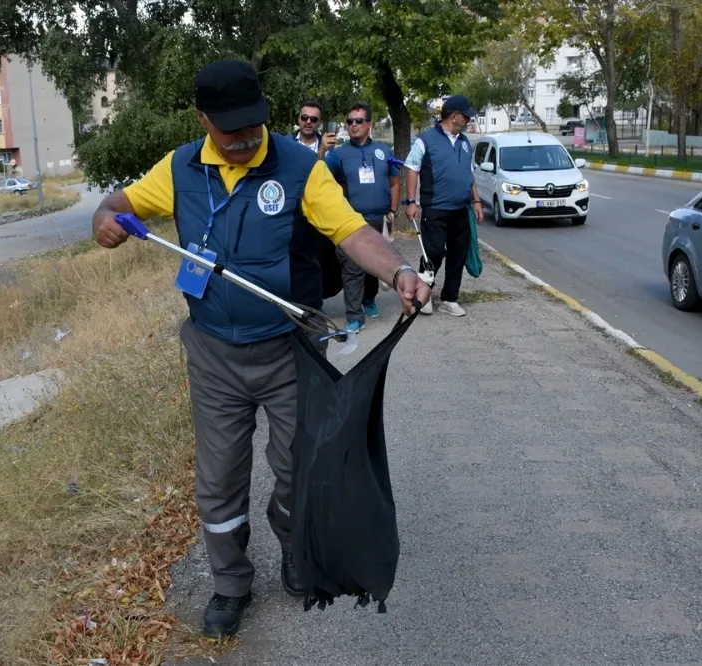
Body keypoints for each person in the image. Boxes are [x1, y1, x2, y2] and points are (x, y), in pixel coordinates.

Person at [92, 59, 430, 639]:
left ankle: (296, 551)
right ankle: (231, 583)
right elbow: (116, 205)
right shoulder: (178, 169)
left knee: (298, 469)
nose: (248, 139)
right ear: (203, 120)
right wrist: (105, 220)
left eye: (256, 125)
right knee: (220, 480)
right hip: (214, 352)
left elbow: (352, 231)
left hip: (289, 347)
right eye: (233, 132)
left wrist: (398, 271)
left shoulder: (301, 166)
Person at [403, 95, 485, 317]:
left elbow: (469, 174)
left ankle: (450, 298)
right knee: (433, 252)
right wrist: (411, 202)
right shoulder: (426, 140)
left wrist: (476, 201)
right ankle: (423, 294)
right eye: (466, 115)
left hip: (461, 209)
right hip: (436, 208)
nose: (468, 119)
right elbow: (412, 169)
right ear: (454, 116)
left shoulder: (464, 142)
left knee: (458, 254)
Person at [324, 102, 400, 331]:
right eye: (350, 121)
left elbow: (395, 183)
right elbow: (321, 177)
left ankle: (369, 299)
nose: (353, 125)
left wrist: (393, 211)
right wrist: (321, 151)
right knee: (352, 267)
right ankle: (354, 316)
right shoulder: (338, 154)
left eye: (358, 121)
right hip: (352, 222)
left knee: (374, 265)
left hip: (379, 218)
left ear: (369, 124)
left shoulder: (384, 151)